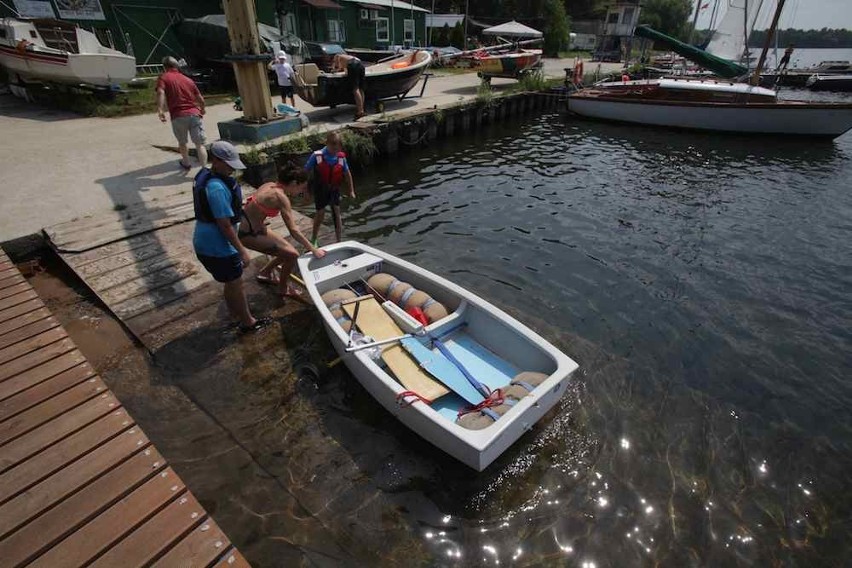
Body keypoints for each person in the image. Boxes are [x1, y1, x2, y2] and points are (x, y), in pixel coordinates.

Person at [193, 141, 270, 333]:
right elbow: (225, 225)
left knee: (231, 281)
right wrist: (241, 250)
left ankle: (234, 312)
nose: (231, 170)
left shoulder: (210, 178)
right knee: (237, 284)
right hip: (217, 247)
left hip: (207, 242)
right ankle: (248, 322)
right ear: (216, 161)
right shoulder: (217, 188)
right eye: (228, 165)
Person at [239, 165, 327, 298]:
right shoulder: (281, 198)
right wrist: (313, 249)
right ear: (293, 183)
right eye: (302, 187)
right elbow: (293, 230)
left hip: (252, 226)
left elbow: (250, 204)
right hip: (247, 234)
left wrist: (259, 222)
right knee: (292, 255)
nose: (301, 191)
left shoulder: (269, 185)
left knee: (287, 249)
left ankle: (265, 273)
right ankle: (282, 288)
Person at [157, 56, 207, 171]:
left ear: (165, 67)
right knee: (200, 144)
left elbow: (160, 92)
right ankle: (205, 169)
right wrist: (202, 109)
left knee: (182, 142)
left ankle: (186, 163)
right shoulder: (188, 79)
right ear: (176, 66)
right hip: (194, 114)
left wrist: (160, 109)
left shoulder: (164, 77)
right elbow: (200, 98)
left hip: (178, 115)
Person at [305, 132, 356, 245]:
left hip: (334, 189)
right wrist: (307, 191)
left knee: (337, 213)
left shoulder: (341, 158)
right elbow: (306, 172)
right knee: (320, 213)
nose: (335, 150)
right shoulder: (317, 156)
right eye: (333, 146)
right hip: (320, 189)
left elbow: (347, 174)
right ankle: (314, 238)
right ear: (327, 143)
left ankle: (339, 240)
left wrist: (351, 190)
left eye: (337, 147)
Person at [331, 52, 366, 119]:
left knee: (355, 88)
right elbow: (345, 70)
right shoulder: (347, 57)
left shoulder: (337, 56)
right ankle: (362, 109)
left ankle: (360, 112)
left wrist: (334, 70)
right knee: (361, 88)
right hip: (360, 64)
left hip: (353, 64)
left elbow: (337, 66)